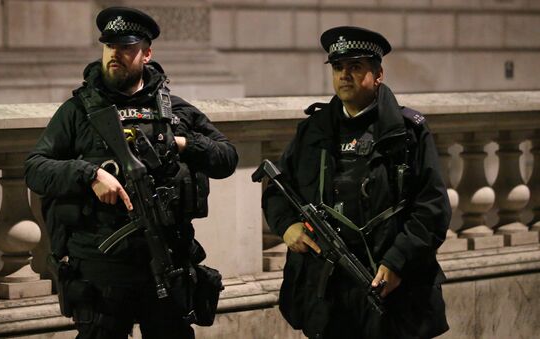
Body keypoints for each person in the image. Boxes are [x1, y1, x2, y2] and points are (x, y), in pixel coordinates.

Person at [24, 6, 237, 339]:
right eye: (109, 46)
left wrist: (182, 143)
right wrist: (90, 174)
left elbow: (227, 158)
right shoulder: (79, 111)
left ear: (146, 53)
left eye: (125, 47)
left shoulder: (174, 111)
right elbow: (35, 168)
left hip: (167, 260)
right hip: (101, 266)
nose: (115, 54)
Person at [262, 26, 450, 339]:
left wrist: (397, 263)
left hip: (388, 288)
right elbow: (278, 191)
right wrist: (287, 227)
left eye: (355, 67)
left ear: (378, 74)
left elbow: (432, 208)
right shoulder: (313, 131)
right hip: (328, 292)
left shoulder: (406, 133)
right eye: (338, 68)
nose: (344, 75)